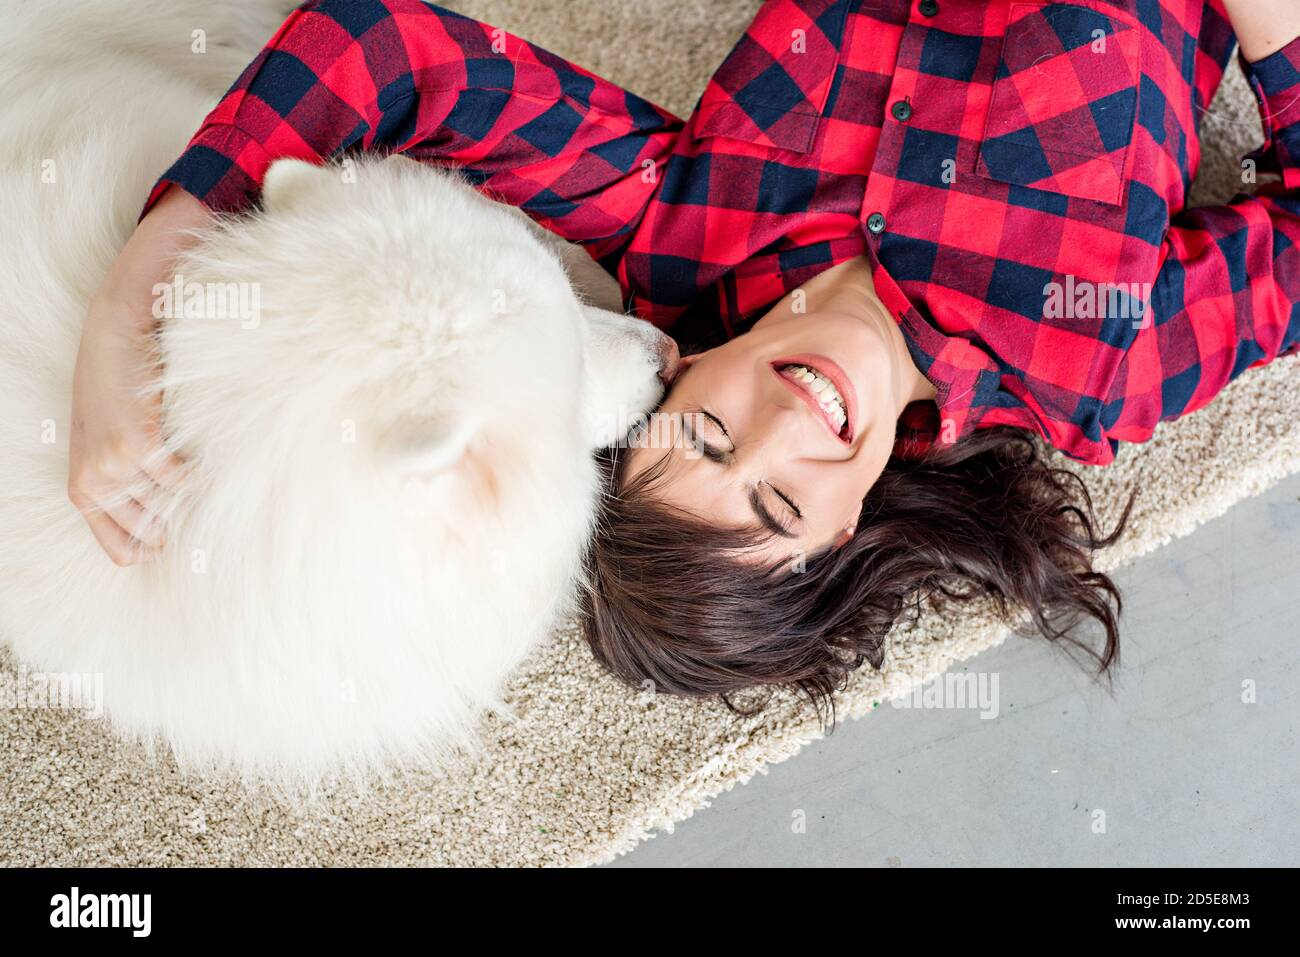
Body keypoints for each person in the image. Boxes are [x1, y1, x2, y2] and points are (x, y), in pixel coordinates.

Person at [75, 0, 1300, 716]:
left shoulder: (678, 239)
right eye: (777, 501)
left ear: (671, 377)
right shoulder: (1093, 366)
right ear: (843, 535)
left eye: (703, 437)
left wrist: (146, 286)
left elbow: (389, 53)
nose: (779, 428)